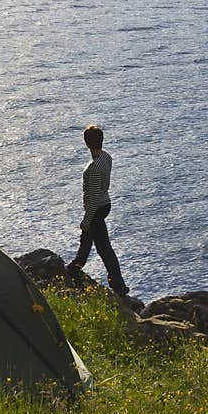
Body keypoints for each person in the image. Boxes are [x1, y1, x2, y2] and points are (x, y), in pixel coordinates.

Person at [67, 124, 129, 297]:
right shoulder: (106, 157)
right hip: (105, 203)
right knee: (86, 240)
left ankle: (119, 285)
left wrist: (86, 220)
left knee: (104, 248)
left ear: (87, 143)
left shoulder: (93, 167)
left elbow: (93, 197)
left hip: (97, 208)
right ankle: (75, 266)